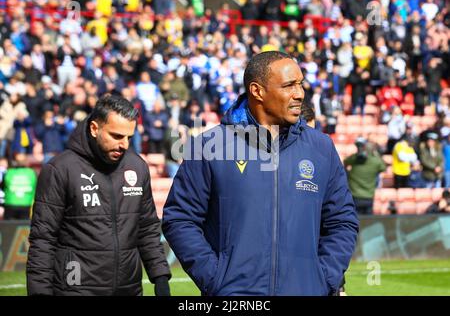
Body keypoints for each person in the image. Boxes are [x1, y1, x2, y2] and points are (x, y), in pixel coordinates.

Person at [162, 51, 359, 296]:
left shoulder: (321, 148)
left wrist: (323, 278)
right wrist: (216, 280)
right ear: (257, 91)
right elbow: (179, 219)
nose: (299, 94)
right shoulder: (209, 147)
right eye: (289, 86)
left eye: (300, 84)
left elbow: (342, 221)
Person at [27, 95, 171, 296]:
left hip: (128, 289)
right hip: (75, 289)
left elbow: (146, 228)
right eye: (117, 136)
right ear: (94, 129)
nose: (124, 145)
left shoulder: (137, 167)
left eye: (129, 137)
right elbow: (43, 239)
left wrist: (160, 277)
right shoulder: (60, 169)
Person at [344, 137, 386, 215]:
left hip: (354, 196)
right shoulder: (376, 162)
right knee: (368, 223)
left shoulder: (355, 158)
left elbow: (345, 162)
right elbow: (383, 167)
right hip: (368, 197)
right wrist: (376, 154)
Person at [1, 153, 37, 220]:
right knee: (24, 228)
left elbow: (3, 187)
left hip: (10, 204)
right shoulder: (32, 173)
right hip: (26, 205)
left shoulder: (9, 172)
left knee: (8, 228)